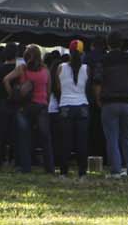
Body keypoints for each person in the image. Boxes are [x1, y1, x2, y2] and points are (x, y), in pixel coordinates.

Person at [93, 30, 128, 178]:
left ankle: (116, 170)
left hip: (109, 103)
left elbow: (97, 83)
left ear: (108, 43)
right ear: (122, 43)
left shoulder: (103, 60)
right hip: (127, 102)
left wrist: (98, 99)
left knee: (112, 138)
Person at [4, 44, 52, 174]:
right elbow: (48, 91)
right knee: (45, 138)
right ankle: (49, 167)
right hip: (41, 106)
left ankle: (25, 167)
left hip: (24, 106)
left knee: (24, 138)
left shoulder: (22, 69)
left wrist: (13, 95)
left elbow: (6, 80)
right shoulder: (45, 70)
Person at [51, 40, 90, 177]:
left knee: (65, 141)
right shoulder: (86, 69)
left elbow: (58, 88)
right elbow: (87, 88)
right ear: (82, 53)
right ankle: (82, 172)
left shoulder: (60, 67)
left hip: (66, 105)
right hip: (82, 105)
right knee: (82, 141)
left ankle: (63, 172)